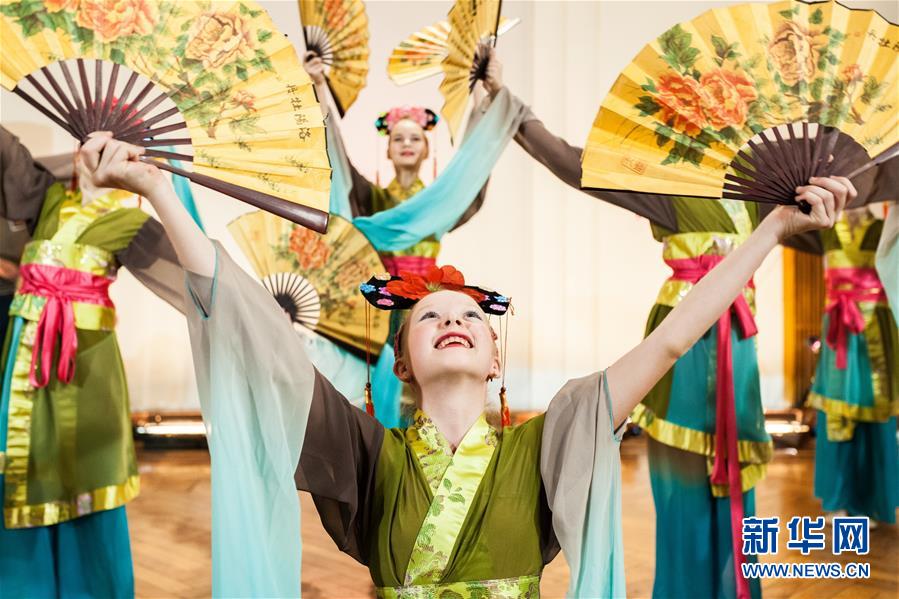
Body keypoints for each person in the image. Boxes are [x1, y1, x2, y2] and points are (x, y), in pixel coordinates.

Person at [78, 130, 852, 598]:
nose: (452, 319)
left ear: (493, 357)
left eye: (470, 317)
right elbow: (252, 330)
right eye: (429, 316)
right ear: (402, 364)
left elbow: (671, 340)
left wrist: (771, 232)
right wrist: (157, 190)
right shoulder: (365, 451)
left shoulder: (551, 437)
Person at [479, 49, 894, 599]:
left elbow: (847, 203)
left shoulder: (762, 191)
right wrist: (503, 98)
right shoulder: (668, 184)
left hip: (739, 344)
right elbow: (571, 162)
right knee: (682, 484)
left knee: (737, 486)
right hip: (685, 341)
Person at [0, 126, 183, 597]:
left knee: (85, 477)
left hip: (84, 367)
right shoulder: (48, 200)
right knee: (21, 473)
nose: (91, 148)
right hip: (23, 363)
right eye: (87, 139)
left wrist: (156, 189)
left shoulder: (131, 221)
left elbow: (197, 279)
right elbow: (7, 150)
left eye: (106, 144)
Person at [304, 52, 530, 427]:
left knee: (430, 387)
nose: (406, 143)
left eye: (415, 138)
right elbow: (337, 163)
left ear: (426, 148)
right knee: (377, 387)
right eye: (398, 138)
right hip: (381, 304)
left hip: (428, 302)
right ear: (388, 149)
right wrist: (318, 87)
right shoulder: (372, 199)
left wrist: (481, 95)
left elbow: (469, 178)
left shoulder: (439, 202)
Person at [808, 206, 898, 524]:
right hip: (839, 331)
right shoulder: (828, 228)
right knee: (836, 412)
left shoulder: (884, 229)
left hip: (875, 328)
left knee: (875, 412)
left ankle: (869, 501)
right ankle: (838, 498)